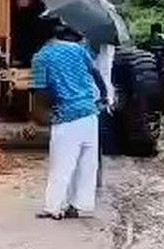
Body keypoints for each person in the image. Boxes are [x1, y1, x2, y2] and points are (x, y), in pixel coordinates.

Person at [31, 18, 109, 220]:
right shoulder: (79, 51)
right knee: (86, 164)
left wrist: (41, 115)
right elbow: (96, 74)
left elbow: (41, 90)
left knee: (62, 164)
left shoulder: (42, 57)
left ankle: (53, 207)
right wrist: (103, 95)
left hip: (67, 117)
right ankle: (78, 205)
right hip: (90, 115)